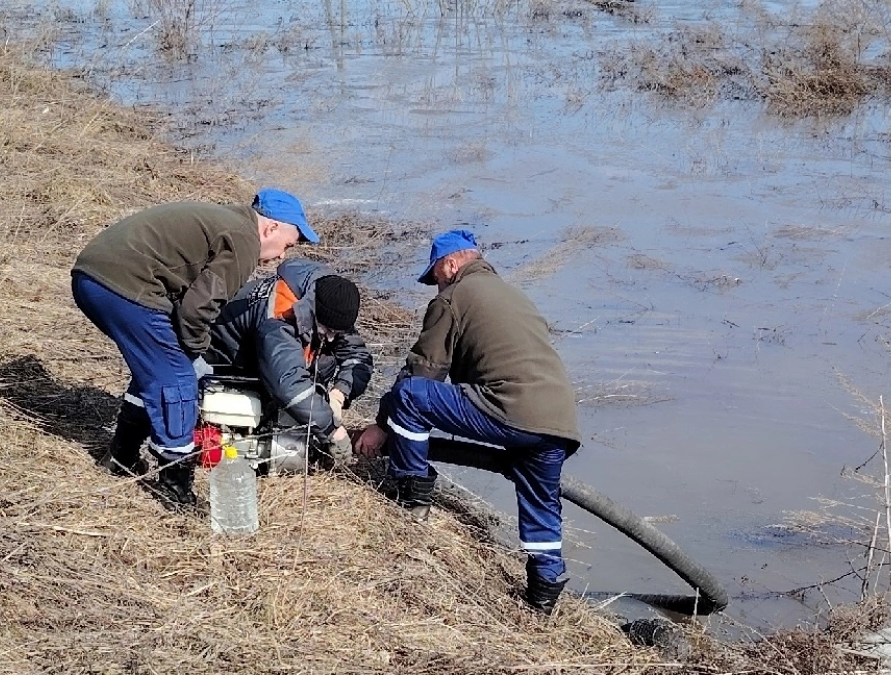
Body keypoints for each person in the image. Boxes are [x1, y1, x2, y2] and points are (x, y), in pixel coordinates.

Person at [354, 229, 581, 615]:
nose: (435, 286)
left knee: (408, 396)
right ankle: (543, 598)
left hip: (510, 409)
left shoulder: (454, 296)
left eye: (436, 276)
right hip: (557, 423)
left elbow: (423, 372)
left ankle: (411, 496)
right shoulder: (514, 296)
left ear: (451, 264)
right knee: (541, 504)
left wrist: (381, 425)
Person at [71, 188, 317, 508]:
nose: (282, 256)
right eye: (287, 245)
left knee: (155, 371)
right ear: (271, 228)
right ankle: (175, 483)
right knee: (178, 378)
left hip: (95, 275)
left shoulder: (229, 221)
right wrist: (198, 353)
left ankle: (121, 456)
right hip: (123, 285)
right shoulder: (244, 240)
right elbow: (197, 310)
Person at [205, 258, 372, 465]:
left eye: (337, 333)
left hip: (269, 359)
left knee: (324, 363)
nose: (330, 338)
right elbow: (288, 384)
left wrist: (339, 394)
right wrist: (332, 430)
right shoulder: (279, 315)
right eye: (328, 331)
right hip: (231, 361)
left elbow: (358, 357)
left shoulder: (331, 301)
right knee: (281, 398)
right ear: (316, 312)